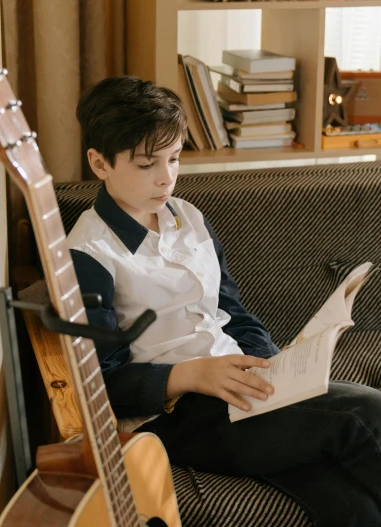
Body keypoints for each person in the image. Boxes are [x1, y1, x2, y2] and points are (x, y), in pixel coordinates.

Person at [66, 75, 381, 527]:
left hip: (239, 387)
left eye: (174, 158)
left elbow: (230, 312)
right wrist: (189, 374)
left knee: (354, 506)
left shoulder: (188, 216)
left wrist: (273, 362)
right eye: (146, 164)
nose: (166, 177)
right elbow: (102, 382)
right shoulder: (89, 254)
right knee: (366, 412)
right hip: (177, 417)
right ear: (100, 163)